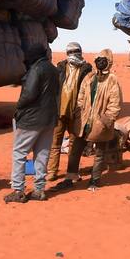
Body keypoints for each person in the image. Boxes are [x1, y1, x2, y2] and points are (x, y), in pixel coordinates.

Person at [4, 46, 60, 203]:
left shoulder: (36, 69)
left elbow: (28, 94)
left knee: (19, 153)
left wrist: (18, 107)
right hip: (49, 119)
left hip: (31, 119)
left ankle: (18, 190)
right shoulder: (53, 69)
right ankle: (39, 190)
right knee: (42, 154)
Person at [66, 49, 122, 191]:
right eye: (99, 60)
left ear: (109, 63)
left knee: (99, 154)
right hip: (83, 121)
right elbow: (80, 98)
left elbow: (115, 104)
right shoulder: (89, 77)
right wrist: (78, 114)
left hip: (100, 124)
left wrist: (106, 120)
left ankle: (94, 180)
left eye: (104, 60)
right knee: (75, 149)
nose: (100, 63)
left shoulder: (112, 80)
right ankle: (70, 177)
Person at [46, 42, 92, 182]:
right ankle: (52, 172)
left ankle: (71, 172)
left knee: (74, 143)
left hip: (76, 112)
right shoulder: (60, 68)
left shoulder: (86, 69)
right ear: (67, 54)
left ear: (80, 52)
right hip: (59, 111)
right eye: (70, 52)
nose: (73, 54)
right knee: (55, 142)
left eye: (75, 51)